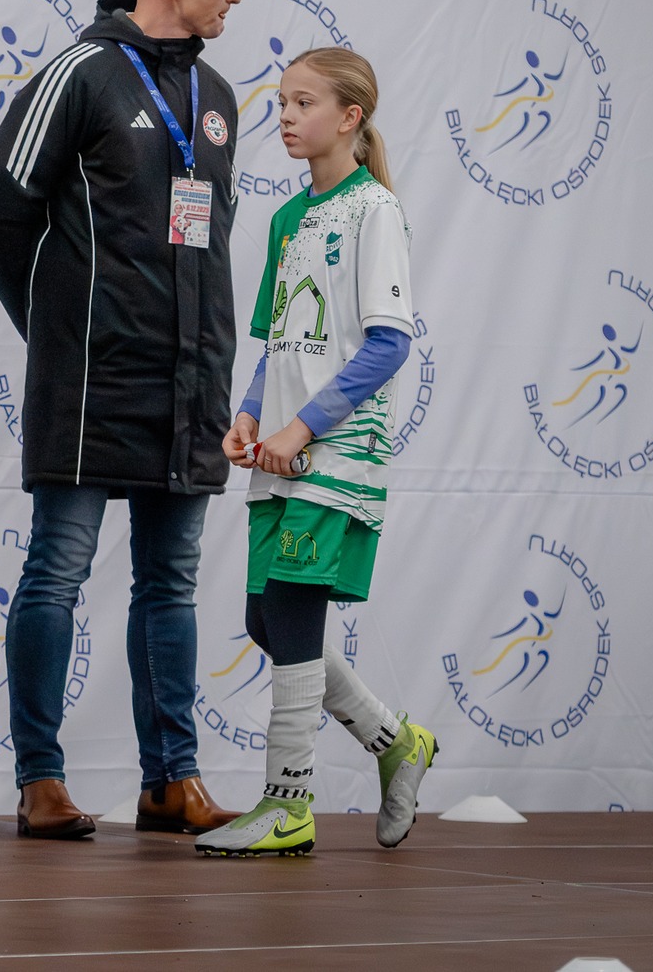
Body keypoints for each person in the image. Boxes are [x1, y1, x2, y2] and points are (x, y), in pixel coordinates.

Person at [0, 0, 246, 841]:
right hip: (89, 381)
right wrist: (59, 334)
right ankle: (39, 780)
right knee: (58, 572)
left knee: (171, 583)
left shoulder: (216, 93)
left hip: (189, 384)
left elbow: (207, 237)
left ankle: (172, 779)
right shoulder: (79, 73)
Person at [198, 47, 438, 857]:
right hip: (280, 451)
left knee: (294, 607)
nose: (286, 117)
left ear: (350, 117)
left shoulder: (375, 211)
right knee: (263, 615)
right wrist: (249, 414)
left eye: (304, 103)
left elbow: (388, 343)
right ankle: (396, 742)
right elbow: (279, 343)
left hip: (334, 451)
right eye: (281, 102)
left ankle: (288, 803)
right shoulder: (286, 219)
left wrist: (302, 428)